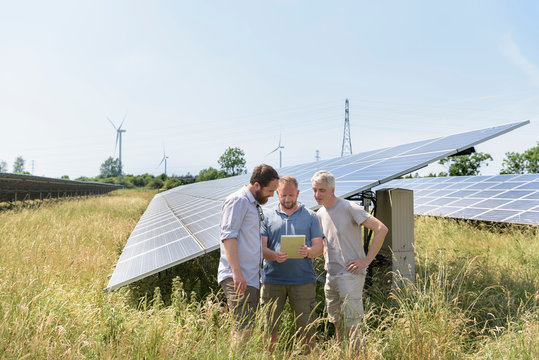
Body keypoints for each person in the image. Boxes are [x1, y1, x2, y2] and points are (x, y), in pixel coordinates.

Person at [311, 170, 388, 343]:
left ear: (332, 189)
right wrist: (325, 255)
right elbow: (326, 239)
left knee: (351, 326)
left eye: (321, 190)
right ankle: (342, 353)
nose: (317, 194)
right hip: (332, 275)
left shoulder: (349, 207)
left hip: (350, 274)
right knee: (337, 323)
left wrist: (366, 260)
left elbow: (381, 229)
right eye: (315, 190)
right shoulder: (320, 213)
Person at [217, 164, 280, 347]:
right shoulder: (238, 201)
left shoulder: (253, 204)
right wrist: (237, 273)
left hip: (250, 277)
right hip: (238, 277)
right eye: (270, 190)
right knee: (243, 330)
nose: (272, 195)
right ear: (257, 185)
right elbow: (228, 237)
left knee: (244, 329)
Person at [260, 176, 324, 353]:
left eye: (291, 195)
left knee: (307, 330)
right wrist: (274, 255)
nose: (287, 199)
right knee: (269, 328)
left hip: (303, 281)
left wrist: (308, 252)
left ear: (297, 193)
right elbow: (261, 248)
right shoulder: (267, 216)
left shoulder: (311, 216)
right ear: (277, 194)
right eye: (283, 195)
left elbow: (319, 247)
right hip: (273, 280)